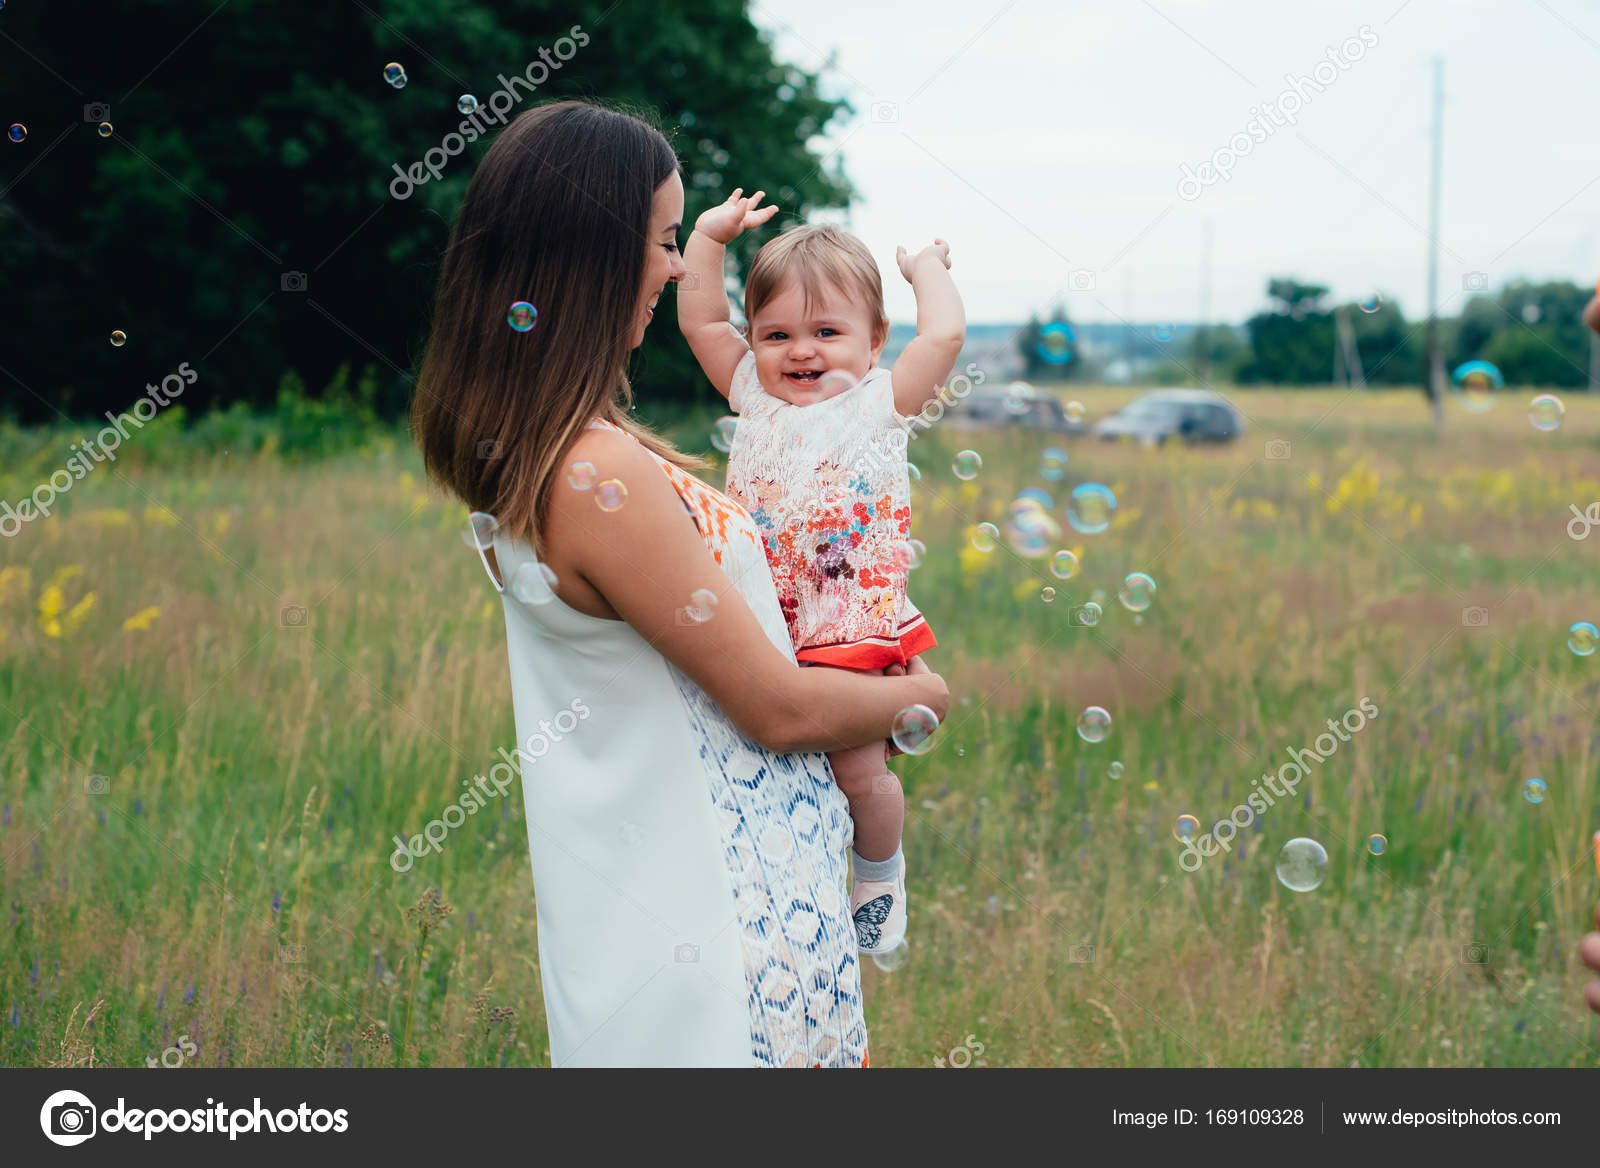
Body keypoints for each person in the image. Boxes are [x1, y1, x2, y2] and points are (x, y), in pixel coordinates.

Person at [410, 100, 949, 1067]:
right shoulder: (596, 474)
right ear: (594, 253)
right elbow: (777, 709)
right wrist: (921, 695)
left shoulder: (564, 454)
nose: (673, 267)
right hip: (723, 945)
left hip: (730, 919)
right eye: (664, 241)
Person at [678, 192, 964, 956]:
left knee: (859, 771)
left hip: (845, 621)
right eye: (777, 334)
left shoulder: (880, 403)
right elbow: (702, 321)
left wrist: (925, 268)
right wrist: (707, 239)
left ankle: (878, 874)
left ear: (874, 341)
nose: (801, 352)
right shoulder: (750, 394)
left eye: (827, 332)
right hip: (763, 622)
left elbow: (945, 332)